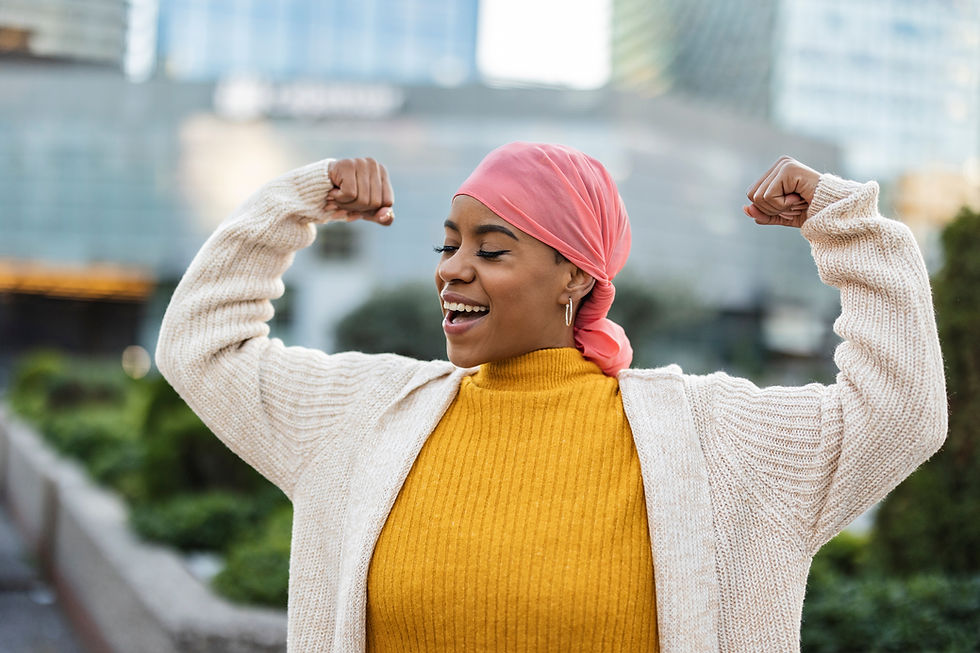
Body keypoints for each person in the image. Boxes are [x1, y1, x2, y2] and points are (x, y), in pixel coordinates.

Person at [155, 143, 947, 652]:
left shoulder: (716, 441)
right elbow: (204, 345)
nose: (452, 268)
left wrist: (848, 227)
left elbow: (900, 409)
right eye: (449, 243)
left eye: (492, 248)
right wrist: (296, 204)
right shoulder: (366, 415)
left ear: (575, 275)